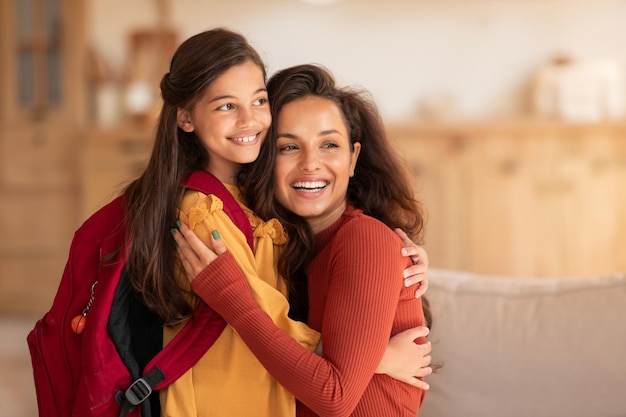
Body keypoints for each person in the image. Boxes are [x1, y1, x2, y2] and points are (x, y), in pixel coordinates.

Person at [119, 29, 431, 416]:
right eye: (288, 147)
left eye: (329, 144)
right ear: (266, 158)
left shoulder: (365, 240)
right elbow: (278, 358)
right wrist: (374, 359)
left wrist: (234, 300)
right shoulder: (281, 241)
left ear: (353, 159)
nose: (310, 163)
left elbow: (333, 394)